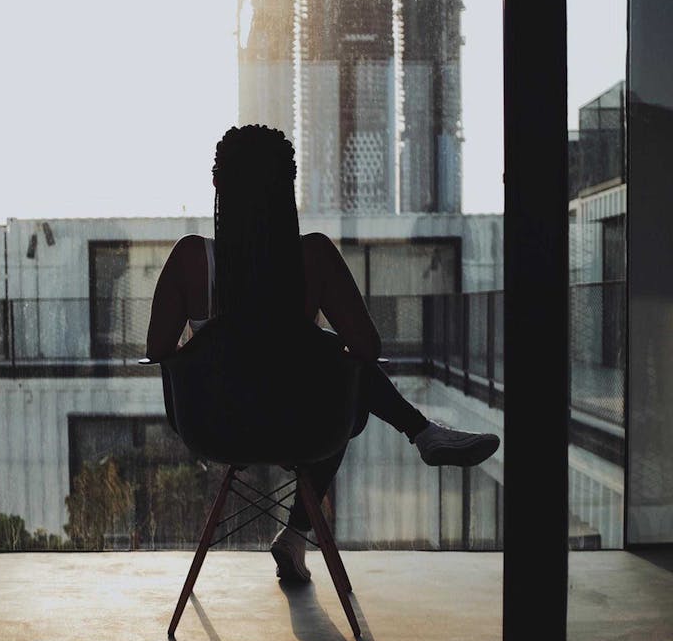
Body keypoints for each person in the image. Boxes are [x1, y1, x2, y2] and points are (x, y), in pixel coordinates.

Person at [146, 125, 499, 583]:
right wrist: (310, 343)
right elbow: (369, 348)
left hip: (216, 427)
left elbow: (158, 350)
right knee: (342, 375)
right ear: (285, 189)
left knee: (334, 374)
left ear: (219, 186)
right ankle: (420, 433)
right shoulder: (311, 256)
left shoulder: (193, 259)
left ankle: (296, 537)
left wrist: (211, 354)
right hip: (305, 426)